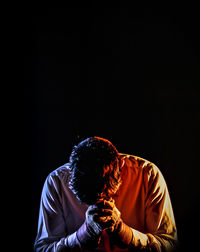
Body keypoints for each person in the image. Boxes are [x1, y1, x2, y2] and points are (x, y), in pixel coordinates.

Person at [34, 136, 178, 251]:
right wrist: (82, 235)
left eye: (107, 193)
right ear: (71, 173)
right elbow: (43, 249)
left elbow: (169, 245)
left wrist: (125, 233)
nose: (100, 204)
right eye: (89, 199)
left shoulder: (148, 176)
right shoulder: (57, 183)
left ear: (120, 167)